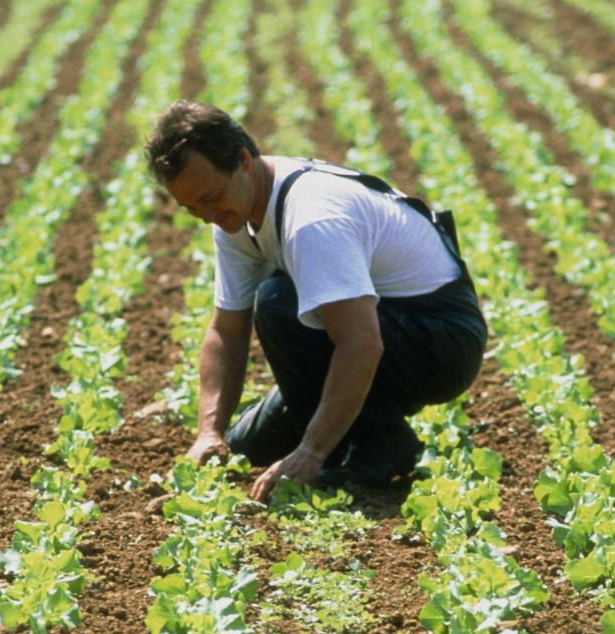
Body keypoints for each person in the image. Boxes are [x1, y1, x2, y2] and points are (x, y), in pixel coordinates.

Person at [144, 100, 487, 500]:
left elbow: (361, 342)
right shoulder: (233, 211)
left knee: (277, 302)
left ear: (243, 159)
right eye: (191, 208)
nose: (205, 215)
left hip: (440, 341)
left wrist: (312, 451)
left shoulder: (312, 218)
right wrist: (209, 432)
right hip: (382, 329)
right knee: (242, 448)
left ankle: (381, 447)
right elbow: (226, 330)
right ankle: (343, 437)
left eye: (210, 197)